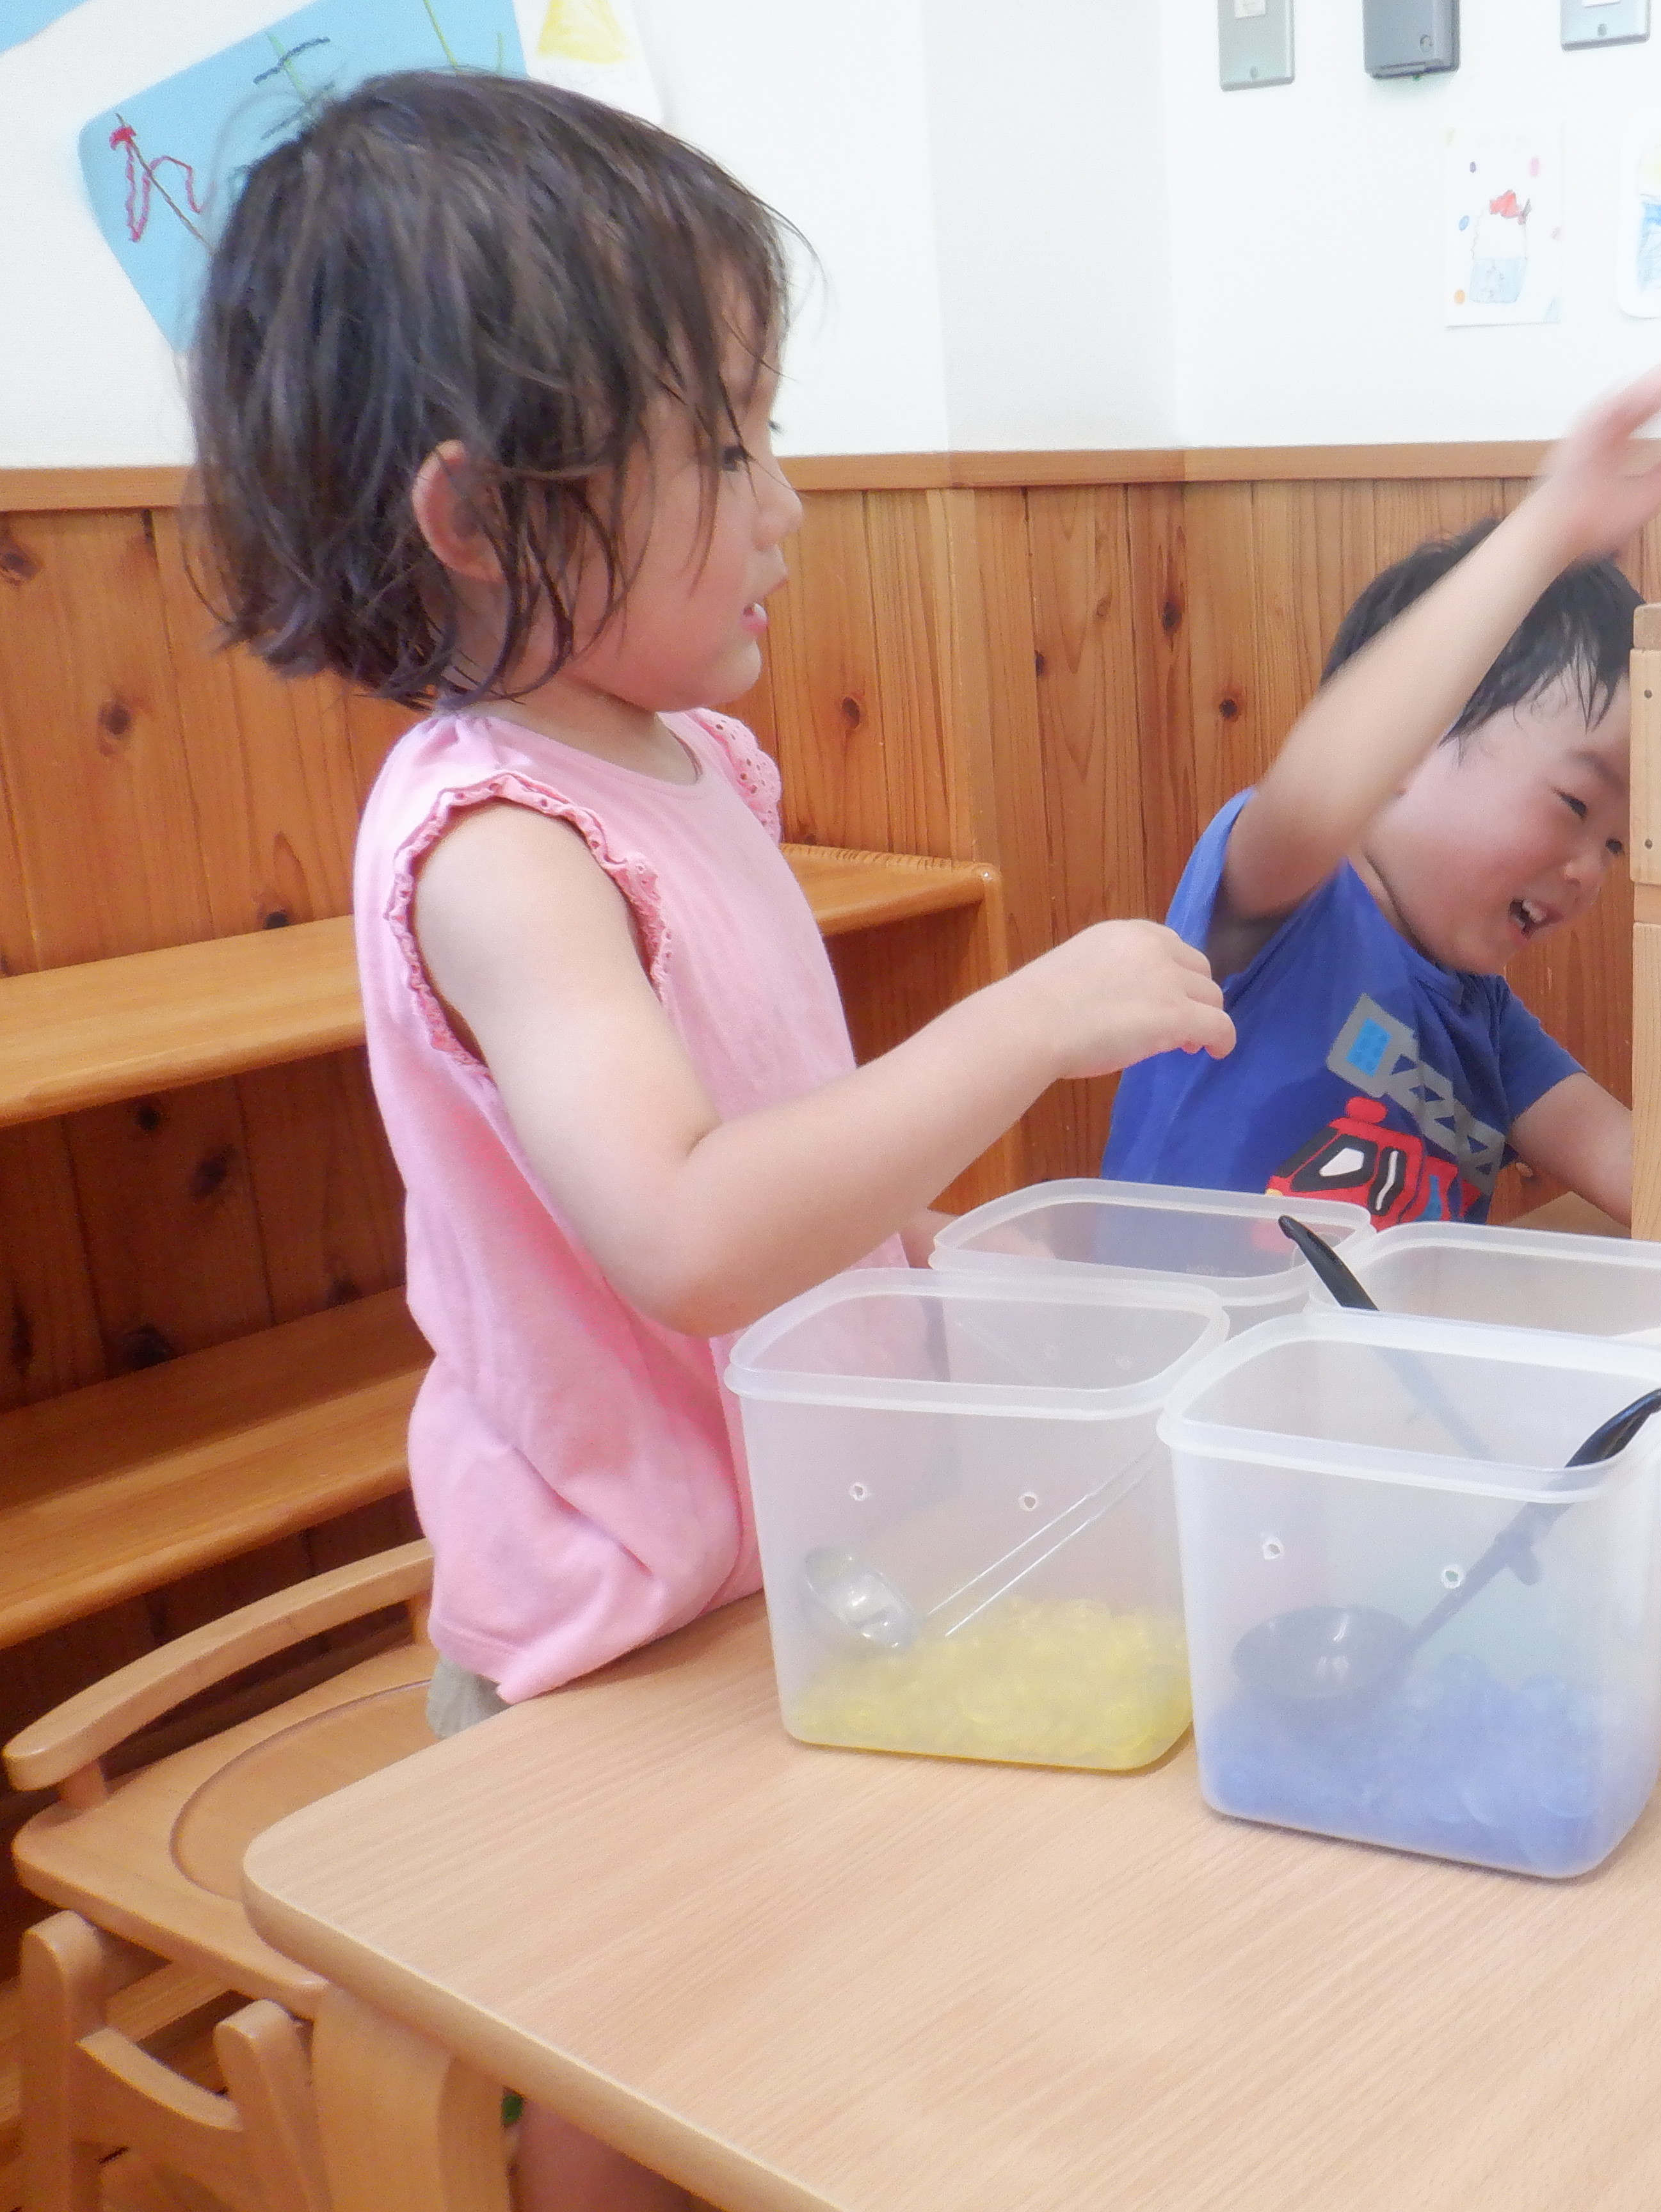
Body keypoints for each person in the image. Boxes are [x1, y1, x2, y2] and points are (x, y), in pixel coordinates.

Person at [189, 72, 1230, 2211]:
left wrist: (929, 1242)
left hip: (783, 1549)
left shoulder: (693, 768)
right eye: (730, 445)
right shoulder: (499, 845)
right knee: (630, 2071)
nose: (791, 504)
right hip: (611, 1611)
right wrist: (1023, 1021)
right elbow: (675, 1224)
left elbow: (765, 1114)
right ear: (481, 515)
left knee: (782, 2005)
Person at [1103, 357, 1661, 1253]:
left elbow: (1643, 1165)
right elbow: (1321, 785)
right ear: (1406, 749)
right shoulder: (1285, 906)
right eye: (1576, 804)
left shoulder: (1486, 1024)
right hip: (1174, 1340)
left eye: (1614, 844)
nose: (1587, 873)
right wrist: (1545, 533)